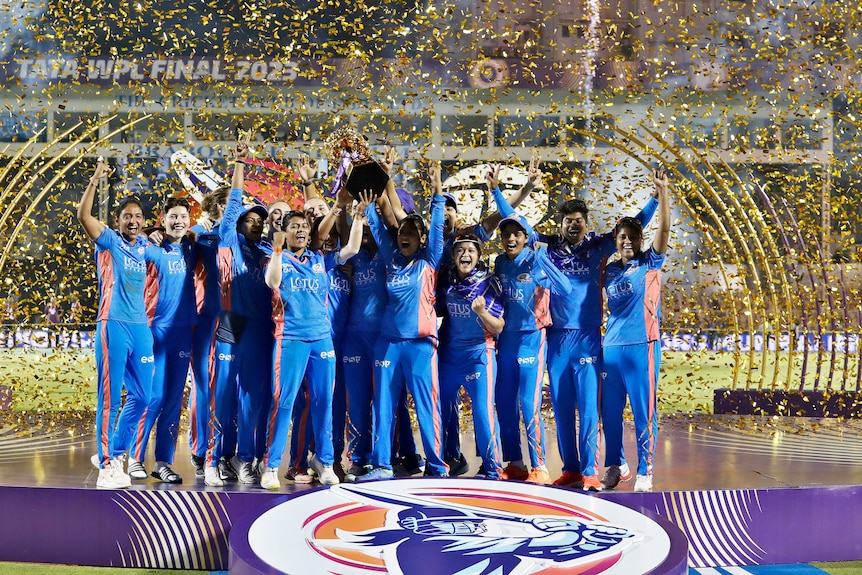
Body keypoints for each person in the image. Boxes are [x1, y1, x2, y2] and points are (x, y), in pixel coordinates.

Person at [538, 180, 659, 491]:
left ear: (586, 224)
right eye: (568, 220)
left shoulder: (598, 247)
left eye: (579, 220)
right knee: (562, 407)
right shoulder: (549, 249)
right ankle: (571, 469)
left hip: (590, 336)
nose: (574, 225)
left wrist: (655, 200)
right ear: (561, 225)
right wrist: (502, 194)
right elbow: (520, 230)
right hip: (557, 339)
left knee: (592, 409)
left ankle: (591, 470)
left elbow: (632, 229)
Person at [259, 193, 369, 489]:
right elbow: (272, 282)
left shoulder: (320, 259)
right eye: (294, 226)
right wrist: (279, 250)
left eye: (304, 227)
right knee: (284, 402)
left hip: (322, 340)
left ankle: (324, 460)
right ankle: (270, 465)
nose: (301, 231)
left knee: (324, 402)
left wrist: (357, 217)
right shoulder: (278, 258)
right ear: (285, 232)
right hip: (290, 339)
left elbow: (352, 248)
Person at [357, 165, 450, 481]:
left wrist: (437, 194)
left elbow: (437, 229)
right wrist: (371, 199)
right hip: (388, 343)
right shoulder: (391, 257)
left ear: (422, 238)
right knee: (382, 407)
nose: (404, 235)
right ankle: (382, 465)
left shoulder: (429, 259)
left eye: (411, 232)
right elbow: (379, 226)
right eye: (402, 231)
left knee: (426, 408)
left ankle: (436, 466)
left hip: (421, 344)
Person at [77, 160, 153, 489]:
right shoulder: (109, 241)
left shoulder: (145, 247)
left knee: (143, 396)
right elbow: (83, 217)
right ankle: (107, 466)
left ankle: (114, 451)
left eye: (137, 216)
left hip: (141, 328)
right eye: (127, 216)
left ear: (143, 222)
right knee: (110, 399)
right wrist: (95, 180)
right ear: (118, 221)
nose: (133, 220)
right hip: (114, 325)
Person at [205, 141, 273, 487]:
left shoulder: (269, 250)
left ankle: (247, 459)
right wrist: (240, 162)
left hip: (261, 328)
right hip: (231, 323)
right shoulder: (228, 238)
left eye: (260, 220)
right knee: (223, 394)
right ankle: (215, 459)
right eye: (251, 218)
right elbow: (232, 204)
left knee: (253, 397)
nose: (256, 223)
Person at [600, 168, 671, 493]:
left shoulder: (650, 262)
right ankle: (616, 466)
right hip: (611, 349)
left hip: (642, 346)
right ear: (616, 242)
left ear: (641, 240)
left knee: (644, 413)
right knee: (610, 415)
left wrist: (661, 196)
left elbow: (664, 229)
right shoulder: (609, 269)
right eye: (622, 237)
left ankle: (645, 470)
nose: (627, 241)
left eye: (633, 236)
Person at [493, 213, 572, 484]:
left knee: (529, 404)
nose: (511, 238)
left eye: (517, 234)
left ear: (527, 238)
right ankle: (515, 463)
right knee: (504, 403)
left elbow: (565, 288)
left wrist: (542, 260)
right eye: (506, 234)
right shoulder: (500, 262)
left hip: (531, 339)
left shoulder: (537, 260)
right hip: (506, 340)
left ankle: (539, 466)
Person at [130, 197, 197, 484]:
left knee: (172, 400)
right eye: (173, 216)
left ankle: (162, 462)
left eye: (183, 216)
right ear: (163, 218)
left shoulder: (193, 248)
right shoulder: (152, 247)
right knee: (152, 397)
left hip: (183, 333)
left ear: (189, 221)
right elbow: (131, 241)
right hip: (154, 330)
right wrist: (148, 234)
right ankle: (134, 458)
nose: (178, 221)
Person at [437, 233, 506, 479]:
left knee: (483, 412)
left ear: (478, 255)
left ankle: (493, 468)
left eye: (471, 251)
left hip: (479, 353)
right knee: (444, 409)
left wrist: (481, 312)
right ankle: (452, 460)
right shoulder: (446, 278)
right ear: (454, 255)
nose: (465, 255)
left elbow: (498, 327)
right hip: (449, 355)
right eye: (460, 250)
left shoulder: (489, 282)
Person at [188, 187, 229, 478]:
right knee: (203, 386)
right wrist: (193, 228)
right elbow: (179, 236)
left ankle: (225, 451)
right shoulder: (201, 232)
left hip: (233, 319)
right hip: (204, 316)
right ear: (213, 209)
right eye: (227, 205)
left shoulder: (244, 236)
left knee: (228, 387)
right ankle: (200, 450)